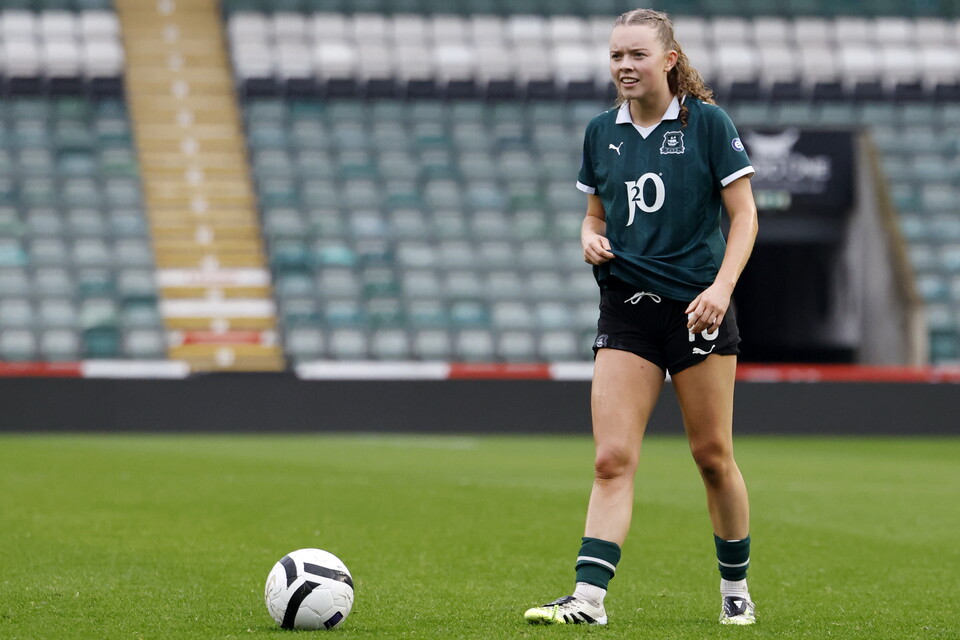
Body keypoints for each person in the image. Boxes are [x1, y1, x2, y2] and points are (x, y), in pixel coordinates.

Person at [523, 8, 759, 627]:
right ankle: (588, 599)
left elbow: (745, 217)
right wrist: (588, 235)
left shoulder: (707, 124)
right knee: (611, 458)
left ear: (668, 61)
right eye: (615, 57)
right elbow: (596, 215)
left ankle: (735, 587)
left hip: (697, 313)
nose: (624, 67)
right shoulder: (601, 132)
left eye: (636, 56)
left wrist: (720, 288)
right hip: (626, 306)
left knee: (711, 456)